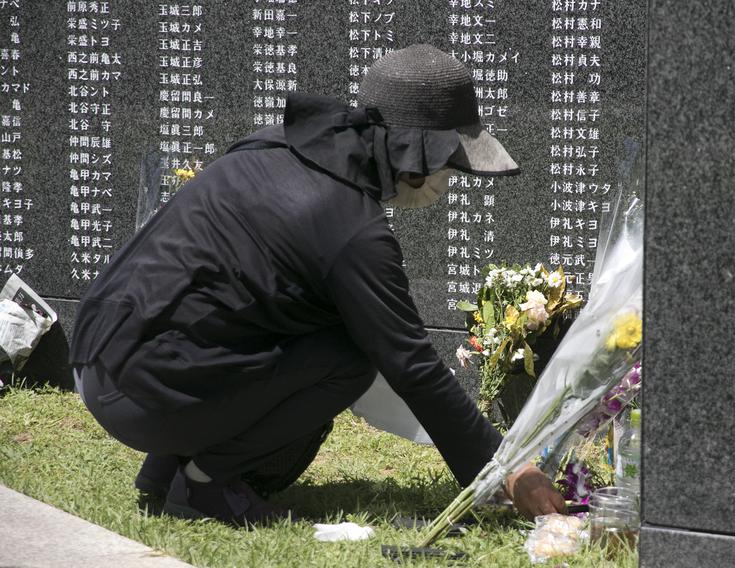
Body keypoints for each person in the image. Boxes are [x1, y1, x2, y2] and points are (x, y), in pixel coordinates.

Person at [69, 44, 567, 525]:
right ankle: (204, 481)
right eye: (446, 163)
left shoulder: (281, 144)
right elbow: (412, 366)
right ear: (414, 153)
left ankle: (164, 470)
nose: (447, 180)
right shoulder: (350, 227)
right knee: (349, 358)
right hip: (145, 400)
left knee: (267, 321)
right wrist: (508, 472)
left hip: (101, 360)